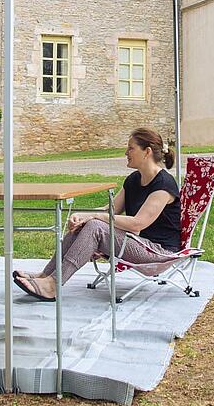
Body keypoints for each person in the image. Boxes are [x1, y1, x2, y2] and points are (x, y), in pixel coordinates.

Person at [13, 127, 180, 301]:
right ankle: (45, 275)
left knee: (95, 226)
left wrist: (95, 218)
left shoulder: (164, 185)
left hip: (158, 251)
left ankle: (53, 285)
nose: (125, 152)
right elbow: (110, 210)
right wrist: (83, 216)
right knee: (86, 224)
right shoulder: (133, 180)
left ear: (147, 152)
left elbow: (139, 223)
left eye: (131, 148)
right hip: (137, 243)